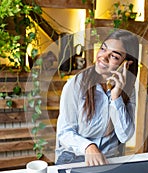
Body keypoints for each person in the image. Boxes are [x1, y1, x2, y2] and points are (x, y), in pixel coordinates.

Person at [55, 29, 139, 166]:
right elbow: (65, 132)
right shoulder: (75, 84)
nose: (103, 57)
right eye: (103, 49)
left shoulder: (127, 89)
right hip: (75, 158)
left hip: (110, 158)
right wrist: (89, 147)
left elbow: (124, 136)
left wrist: (116, 97)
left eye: (114, 56)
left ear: (126, 64)